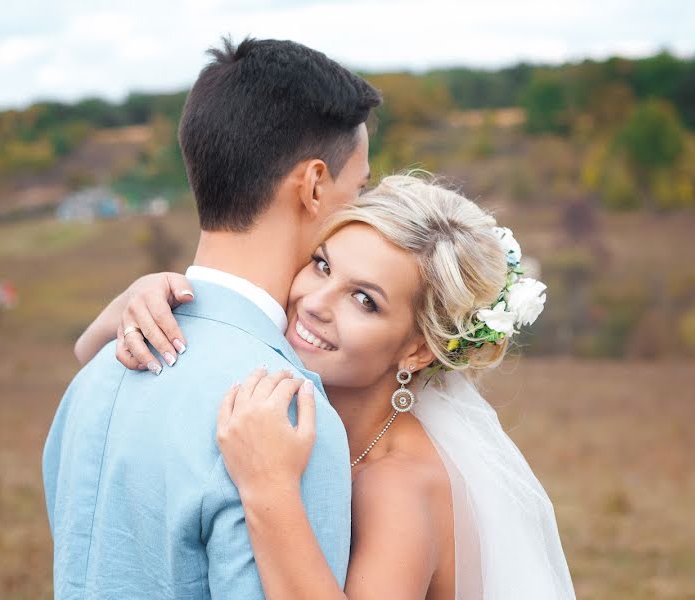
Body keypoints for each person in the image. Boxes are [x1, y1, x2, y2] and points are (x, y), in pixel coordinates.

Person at [81, 173, 576, 598]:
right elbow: (87, 354)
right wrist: (139, 295)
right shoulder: (296, 372)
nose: (316, 302)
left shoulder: (397, 483)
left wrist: (267, 486)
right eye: (322, 265)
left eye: (364, 300)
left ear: (417, 350)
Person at [43, 37, 381, 599]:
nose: (364, 212)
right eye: (360, 188)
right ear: (315, 184)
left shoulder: (96, 374)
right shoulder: (283, 411)